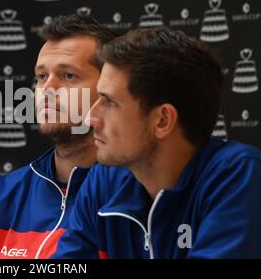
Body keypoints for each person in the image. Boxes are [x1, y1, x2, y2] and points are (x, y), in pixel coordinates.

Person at [54, 27, 261, 258]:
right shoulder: (104, 181)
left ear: (162, 120)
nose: (91, 117)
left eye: (109, 102)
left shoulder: (237, 175)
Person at [0, 14, 118, 259]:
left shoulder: (133, 195)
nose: (47, 89)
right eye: (42, 76)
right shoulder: (2, 196)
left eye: (68, 76)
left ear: (109, 87)